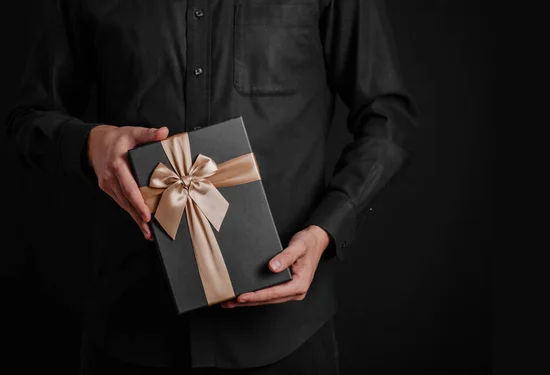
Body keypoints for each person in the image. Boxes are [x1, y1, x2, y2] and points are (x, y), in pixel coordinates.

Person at [6, 0, 418, 373]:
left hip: (285, 336)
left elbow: (388, 118)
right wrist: (89, 145)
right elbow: (27, 120)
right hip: (130, 325)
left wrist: (327, 228)